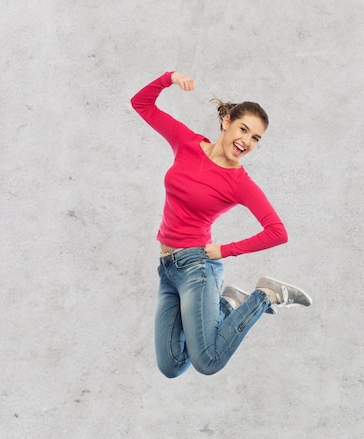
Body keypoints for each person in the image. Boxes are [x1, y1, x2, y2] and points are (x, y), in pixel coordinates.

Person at [130, 71, 312, 378]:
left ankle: (264, 295)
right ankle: (229, 304)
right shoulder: (186, 142)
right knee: (171, 365)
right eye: (243, 129)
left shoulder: (239, 183)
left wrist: (225, 250)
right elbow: (141, 104)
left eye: (255, 138)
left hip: (197, 268)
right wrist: (170, 78)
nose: (246, 142)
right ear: (226, 122)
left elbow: (277, 232)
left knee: (208, 361)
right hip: (167, 268)